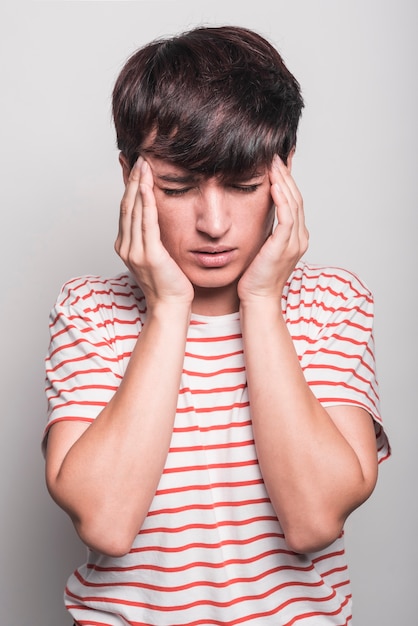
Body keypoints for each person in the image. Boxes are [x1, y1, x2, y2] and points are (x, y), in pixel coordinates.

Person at [43, 25, 390, 626]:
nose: (213, 222)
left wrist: (261, 299)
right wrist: (168, 309)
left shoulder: (334, 304)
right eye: (176, 187)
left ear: (284, 172)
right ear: (131, 176)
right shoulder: (89, 313)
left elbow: (313, 520)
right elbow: (106, 521)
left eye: (244, 185)